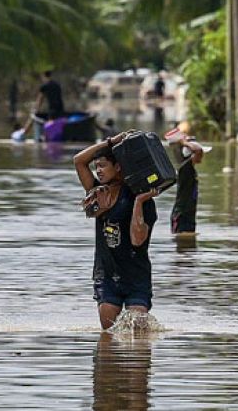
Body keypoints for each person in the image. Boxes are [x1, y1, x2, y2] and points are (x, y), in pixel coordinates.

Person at [74, 132, 159, 330]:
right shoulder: (97, 193)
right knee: (108, 336)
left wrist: (138, 203)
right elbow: (79, 161)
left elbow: (137, 240)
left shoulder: (142, 200)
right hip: (107, 275)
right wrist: (111, 142)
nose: (99, 171)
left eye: (103, 166)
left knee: (137, 333)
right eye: (97, 167)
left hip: (136, 277)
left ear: (118, 167)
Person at [166, 126, 208, 234]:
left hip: (189, 215)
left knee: (189, 246)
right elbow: (198, 150)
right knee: (183, 245)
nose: (201, 157)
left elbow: (198, 151)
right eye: (200, 156)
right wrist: (184, 142)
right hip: (181, 215)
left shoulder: (191, 170)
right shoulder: (185, 168)